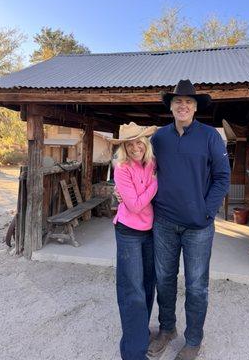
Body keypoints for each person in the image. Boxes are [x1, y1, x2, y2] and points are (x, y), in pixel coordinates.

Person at [148, 79, 230, 360]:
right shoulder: (158, 138)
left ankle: (193, 339)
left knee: (196, 285)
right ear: (171, 107)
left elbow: (222, 178)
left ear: (196, 108)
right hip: (164, 222)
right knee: (165, 279)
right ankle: (167, 329)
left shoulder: (210, 137)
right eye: (178, 102)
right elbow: (140, 167)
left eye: (188, 102)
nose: (183, 106)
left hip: (199, 226)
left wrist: (206, 211)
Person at [110, 122, 158, 360]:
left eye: (139, 142)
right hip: (128, 231)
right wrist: (155, 183)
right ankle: (133, 352)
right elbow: (136, 205)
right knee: (133, 290)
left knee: (148, 285)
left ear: (145, 143)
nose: (135, 147)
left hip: (150, 231)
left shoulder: (151, 163)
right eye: (130, 144)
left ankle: (141, 332)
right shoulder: (122, 168)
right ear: (124, 148)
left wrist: (151, 182)